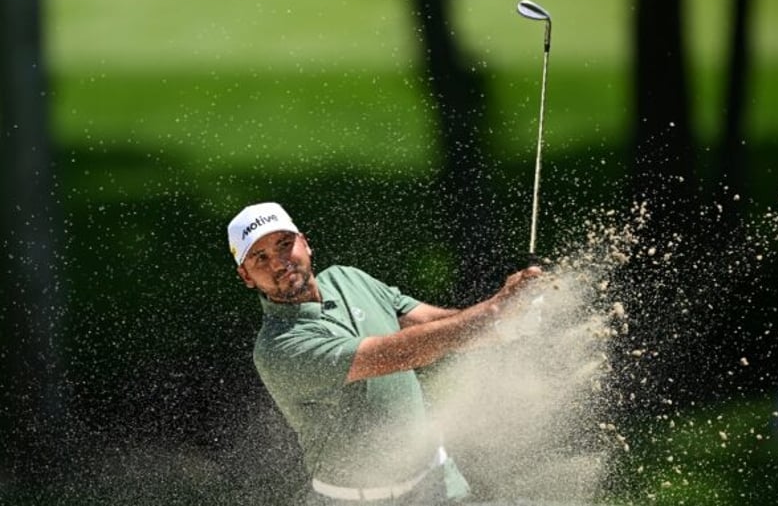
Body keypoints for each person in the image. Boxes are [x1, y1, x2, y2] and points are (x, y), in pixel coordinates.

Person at [227, 202, 542, 504]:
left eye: (284, 244)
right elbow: (396, 353)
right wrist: (495, 310)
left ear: (305, 243)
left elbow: (431, 324)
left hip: (437, 483)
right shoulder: (279, 347)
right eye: (260, 258)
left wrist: (504, 326)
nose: (280, 262)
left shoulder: (347, 278)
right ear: (246, 277)